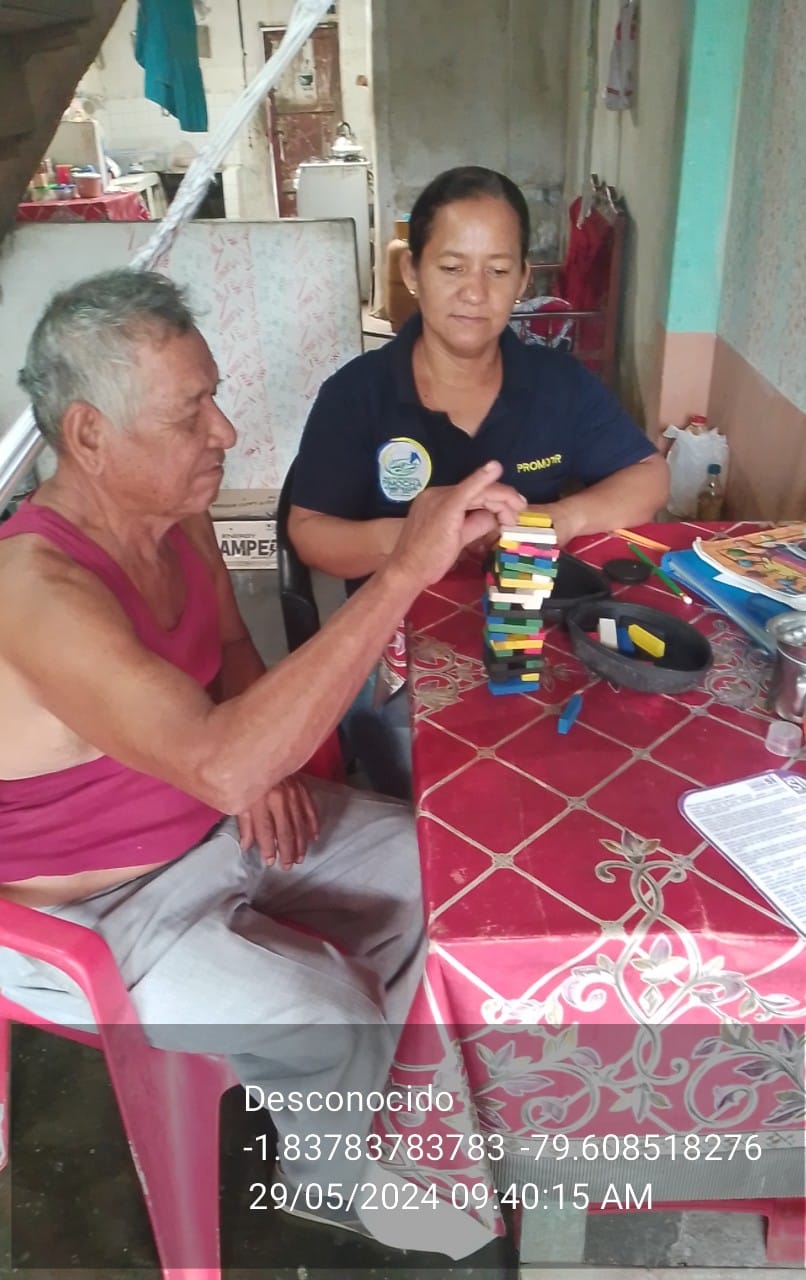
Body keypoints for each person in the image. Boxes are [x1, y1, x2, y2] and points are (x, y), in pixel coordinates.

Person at [0, 269, 525, 1255]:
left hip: (216, 814)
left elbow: (235, 656)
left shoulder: (176, 517)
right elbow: (218, 759)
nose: (226, 432)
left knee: (447, 873)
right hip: (95, 911)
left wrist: (271, 765)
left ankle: (388, 1112)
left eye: (215, 397)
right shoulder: (35, 591)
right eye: (189, 413)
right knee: (329, 1013)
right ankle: (330, 1182)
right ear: (89, 435)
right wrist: (404, 570)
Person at [289, 165, 669, 797]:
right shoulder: (356, 396)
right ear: (412, 271)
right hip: (397, 655)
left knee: (606, 764)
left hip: (535, 635)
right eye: (451, 267)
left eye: (497, 270)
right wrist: (418, 538)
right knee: (450, 790)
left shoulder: (558, 384)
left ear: (523, 279)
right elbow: (310, 532)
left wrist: (560, 519)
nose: (474, 292)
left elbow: (649, 475)